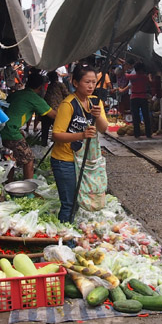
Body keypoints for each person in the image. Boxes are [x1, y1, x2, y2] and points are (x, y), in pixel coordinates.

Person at [51, 66, 108, 223]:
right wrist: (81, 135)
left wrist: (98, 116)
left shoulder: (96, 102)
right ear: (75, 82)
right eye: (87, 82)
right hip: (65, 161)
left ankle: (70, 234)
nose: (91, 86)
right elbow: (56, 134)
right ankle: (65, 240)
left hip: (84, 161)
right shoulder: (68, 104)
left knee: (78, 201)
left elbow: (103, 128)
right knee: (69, 203)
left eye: (94, 82)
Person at [0, 71, 57, 180]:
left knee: (10, 158)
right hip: (11, 132)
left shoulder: (16, 93)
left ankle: (8, 183)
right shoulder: (34, 98)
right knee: (29, 159)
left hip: (2, 129)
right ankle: (28, 188)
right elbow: (54, 115)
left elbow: (12, 111)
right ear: (41, 87)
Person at [41, 71, 70, 146]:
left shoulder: (47, 86)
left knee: (45, 130)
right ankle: (57, 144)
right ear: (56, 77)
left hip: (46, 109)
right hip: (57, 110)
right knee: (58, 129)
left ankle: (43, 144)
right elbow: (67, 95)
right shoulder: (60, 85)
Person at [126, 62, 153, 138]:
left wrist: (124, 65)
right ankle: (148, 133)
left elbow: (125, 75)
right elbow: (150, 83)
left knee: (135, 116)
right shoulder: (145, 77)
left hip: (134, 97)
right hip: (143, 97)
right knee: (146, 116)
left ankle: (137, 134)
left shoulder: (132, 77)